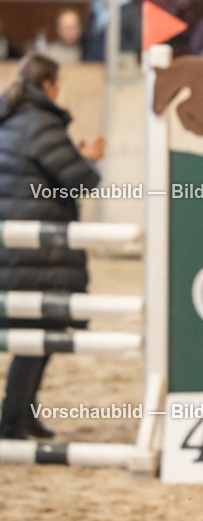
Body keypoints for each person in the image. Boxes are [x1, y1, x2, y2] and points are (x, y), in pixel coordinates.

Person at [0, 56, 105, 439]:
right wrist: (88, 158)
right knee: (37, 332)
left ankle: (21, 414)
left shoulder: (9, 118)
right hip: (36, 251)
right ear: (47, 85)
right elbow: (80, 180)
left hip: (13, 243)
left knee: (34, 333)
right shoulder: (42, 124)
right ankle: (11, 420)